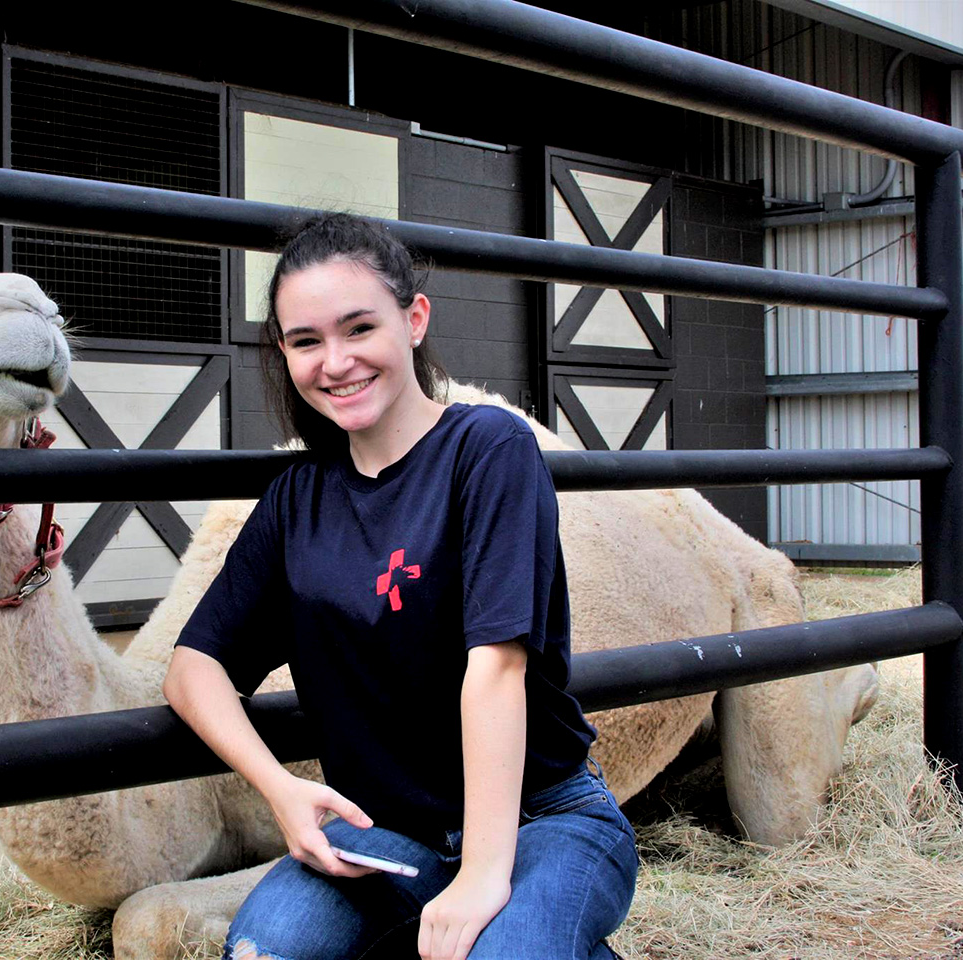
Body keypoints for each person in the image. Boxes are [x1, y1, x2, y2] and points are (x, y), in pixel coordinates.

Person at [163, 213, 637, 960]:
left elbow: (497, 670)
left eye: (359, 328)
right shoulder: (298, 501)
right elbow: (194, 669)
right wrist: (282, 794)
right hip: (389, 834)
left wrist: (483, 874)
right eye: (306, 340)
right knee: (263, 951)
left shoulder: (487, 451)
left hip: (540, 819)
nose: (336, 361)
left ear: (413, 319)